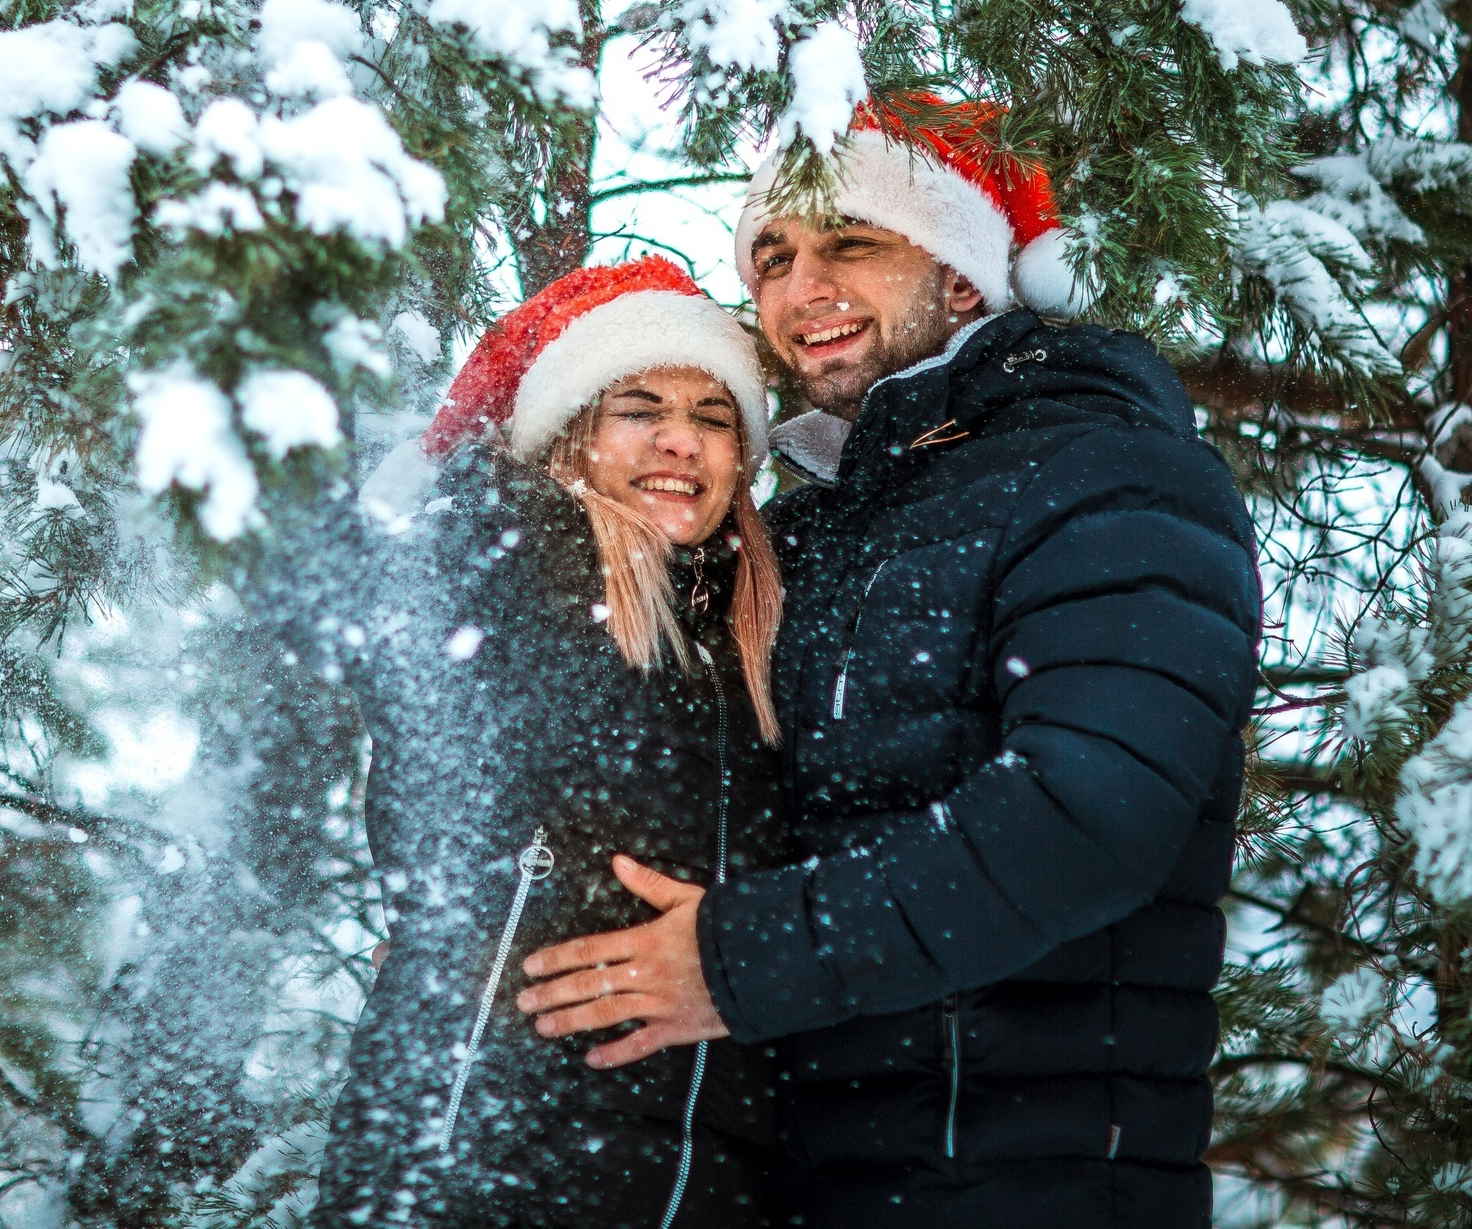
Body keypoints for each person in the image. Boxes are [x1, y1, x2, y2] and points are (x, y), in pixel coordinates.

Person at [514, 104, 1262, 1228]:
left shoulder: (1105, 471)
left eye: (849, 242)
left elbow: (1088, 815)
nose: (801, 286)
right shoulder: (806, 535)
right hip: (799, 1186)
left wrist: (741, 960)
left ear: (960, 277)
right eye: (772, 258)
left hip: (1028, 1187)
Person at [315, 256, 791, 1229]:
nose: (679, 439)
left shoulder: (740, 633)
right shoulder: (510, 563)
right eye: (638, 409)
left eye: (713, 418)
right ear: (568, 435)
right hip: (488, 1154)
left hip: (704, 1164)